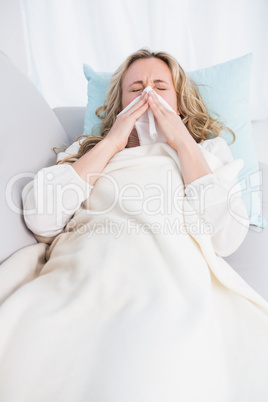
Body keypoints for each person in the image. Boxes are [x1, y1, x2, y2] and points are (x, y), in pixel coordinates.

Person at [11, 49, 268, 401]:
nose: (148, 95)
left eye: (160, 87)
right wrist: (114, 141)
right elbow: (42, 218)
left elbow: (226, 237)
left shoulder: (208, 153)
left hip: (170, 270)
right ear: (119, 105)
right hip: (91, 263)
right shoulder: (86, 152)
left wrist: (180, 140)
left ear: (178, 104)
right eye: (136, 88)